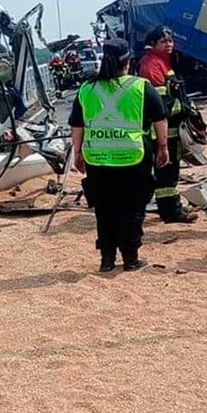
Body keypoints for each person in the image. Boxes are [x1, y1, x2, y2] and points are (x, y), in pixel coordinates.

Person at [69, 38, 169, 272]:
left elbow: (77, 125)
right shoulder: (141, 86)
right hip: (132, 157)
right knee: (132, 209)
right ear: (128, 61)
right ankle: (131, 259)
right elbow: (160, 119)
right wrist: (162, 148)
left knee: (104, 210)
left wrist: (78, 153)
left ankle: (107, 260)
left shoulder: (87, 89)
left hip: (97, 159)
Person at [138, 25, 198, 223]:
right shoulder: (151, 65)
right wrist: (183, 108)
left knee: (171, 172)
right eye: (163, 41)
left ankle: (172, 207)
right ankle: (171, 212)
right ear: (152, 44)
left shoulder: (165, 62)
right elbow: (159, 104)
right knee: (166, 173)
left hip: (171, 128)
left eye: (170, 40)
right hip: (161, 131)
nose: (169, 45)